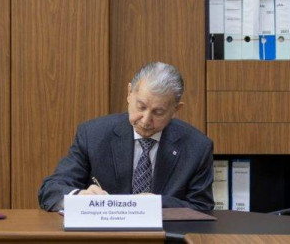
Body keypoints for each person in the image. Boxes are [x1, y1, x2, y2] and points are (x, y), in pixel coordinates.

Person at [38, 61, 214, 212]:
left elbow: (202, 208)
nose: (146, 120)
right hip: (105, 235)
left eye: (158, 112)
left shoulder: (197, 147)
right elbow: (50, 190)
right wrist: (80, 197)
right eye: (141, 107)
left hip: (165, 235)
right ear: (130, 93)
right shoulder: (93, 135)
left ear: (176, 110)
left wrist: (155, 204)